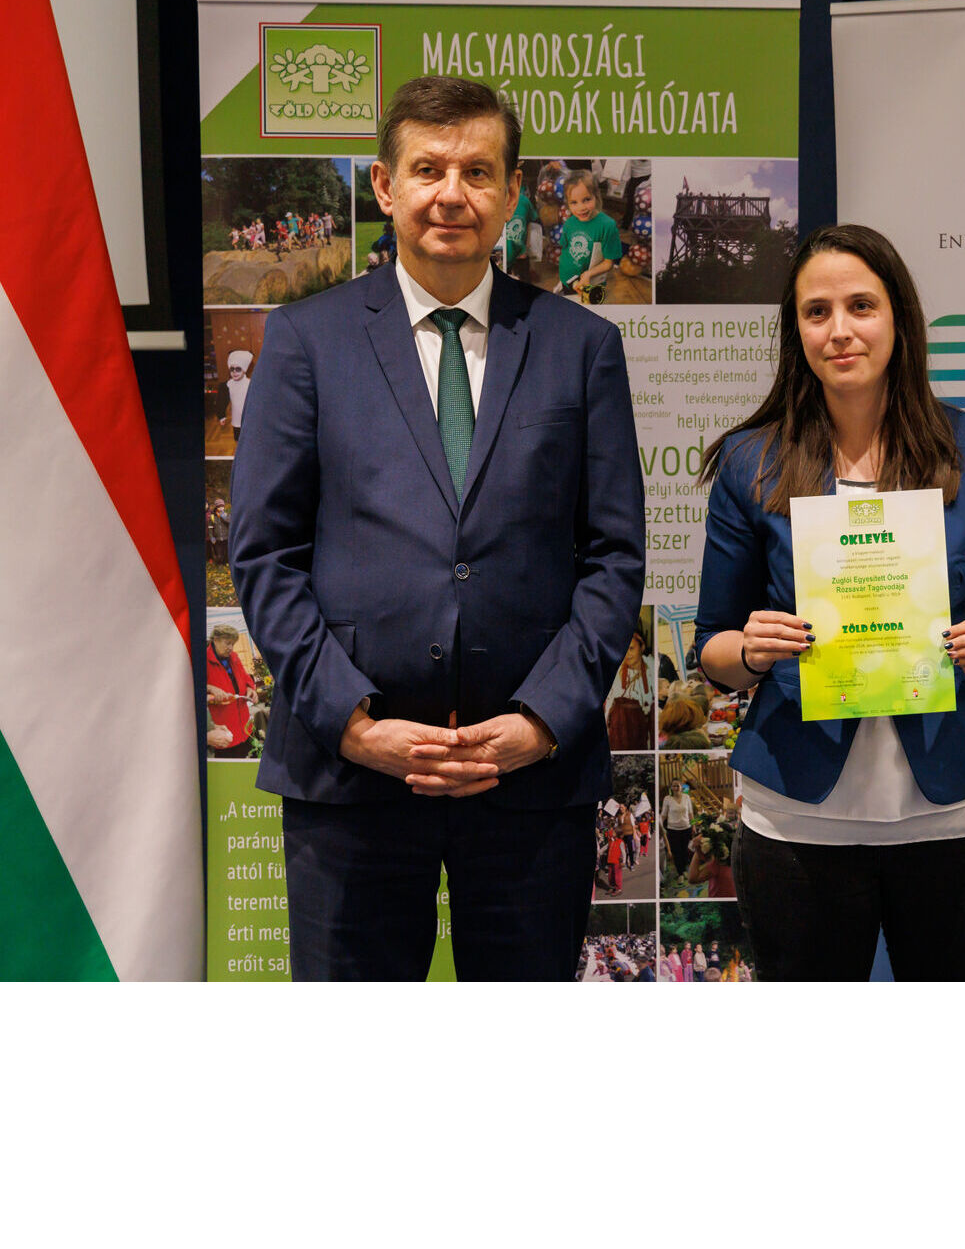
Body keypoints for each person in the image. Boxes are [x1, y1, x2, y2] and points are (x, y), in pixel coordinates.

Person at [229, 75, 646, 981]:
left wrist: (544, 718)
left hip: (530, 779)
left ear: (511, 191)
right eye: (428, 170)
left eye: (476, 172)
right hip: (351, 776)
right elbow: (263, 554)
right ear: (386, 186)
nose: (451, 194)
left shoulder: (581, 347)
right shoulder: (305, 340)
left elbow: (614, 557)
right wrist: (349, 722)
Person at [693, 223, 965, 981]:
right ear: (796, 330)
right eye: (816, 312)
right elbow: (713, 647)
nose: (840, 330)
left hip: (955, 810)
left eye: (861, 306)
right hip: (797, 816)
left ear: (899, 318)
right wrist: (750, 649)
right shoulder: (751, 461)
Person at [556, 172, 621, 301]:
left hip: (591, 282)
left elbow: (609, 263)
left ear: (596, 196)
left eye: (586, 199)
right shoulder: (569, 222)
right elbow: (565, 249)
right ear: (568, 203)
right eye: (574, 202)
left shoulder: (608, 225)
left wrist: (589, 274)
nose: (581, 208)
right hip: (566, 278)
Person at [204, 624, 256, 758]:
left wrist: (250, 688)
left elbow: (245, 677)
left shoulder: (234, 657)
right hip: (225, 733)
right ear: (215, 640)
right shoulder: (203, 660)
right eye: (228, 643)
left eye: (233, 644)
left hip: (245, 728)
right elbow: (192, 689)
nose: (231, 648)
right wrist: (209, 687)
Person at [604, 626, 652, 750]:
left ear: (642, 647)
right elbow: (608, 704)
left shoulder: (652, 668)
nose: (627, 654)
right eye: (624, 649)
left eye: (631, 648)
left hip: (644, 733)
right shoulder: (616, 671)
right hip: (620, 731)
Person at [217, 349, 252, 442]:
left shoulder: (251, 384)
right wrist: (221, 415)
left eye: (238, 369)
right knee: (239, 440)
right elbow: (222, 400)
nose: (234, 372)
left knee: (250, 440)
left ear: (244, 370)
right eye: (232, 369)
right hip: (236, 420)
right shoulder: (228, 385)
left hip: (250, 419)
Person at [662, 779, 695, 874]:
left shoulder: (686, 797)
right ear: (671, 788)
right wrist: (659, 825)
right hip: (673, 830)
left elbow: (690, 813)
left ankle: (684, 870)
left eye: (678, 786)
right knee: (677, 852)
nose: (676, 788)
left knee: (685, 851)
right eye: (674, 786)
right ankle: (680, 872)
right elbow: (664, 814)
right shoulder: (667, 799)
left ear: (681, 787)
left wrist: (693, 826)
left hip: (686, 828)